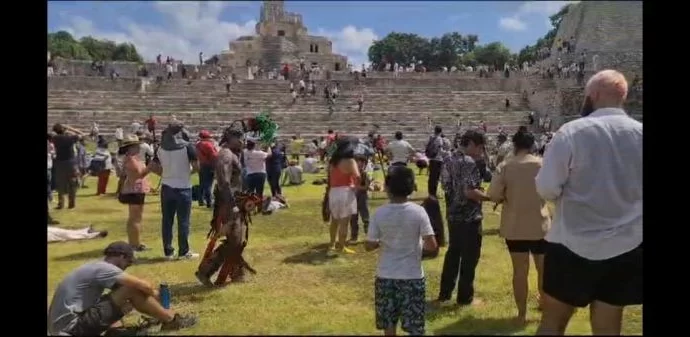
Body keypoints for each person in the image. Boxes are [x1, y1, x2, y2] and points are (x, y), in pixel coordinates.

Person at [535, 70, 642, 335]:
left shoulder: (572, 131)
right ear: (623, 97)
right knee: (608, 327)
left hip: (572, 241)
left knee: (552, 323)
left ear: (592, 95)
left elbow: (547, 188)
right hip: (627, 244)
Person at [48, 242, 197, 335]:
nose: (127, 267)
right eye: (129, 262)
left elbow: (116, 297)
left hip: (64, 327)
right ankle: (171, 320)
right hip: (71, 328)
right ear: (121, 256)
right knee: (130, 288)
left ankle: (116, 331)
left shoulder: (94, 267)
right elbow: (141, 286)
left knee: (125, 297)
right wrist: (155, 293)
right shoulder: (104, 268)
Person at [487, 131, 551, 325]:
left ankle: (522, 314)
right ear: (532, 145)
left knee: (520, 271)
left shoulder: (505, 166)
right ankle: (545, 308)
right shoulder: (543, 164)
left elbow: (493, 194)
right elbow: (553, 189)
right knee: (543, 269)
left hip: (515, 226)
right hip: (540, 224)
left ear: (514, 146)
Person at [365, 166, 437, 336]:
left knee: (388, 324)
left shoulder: (379, 213)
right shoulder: (419, 212)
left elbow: (369, 245)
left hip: (385, 276)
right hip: (412, 276)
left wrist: (380, 242)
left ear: (387, 188)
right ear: (411, 188)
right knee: (415, 326)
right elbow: (432, 245)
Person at [433, 129, 490, 307]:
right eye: (480, 148)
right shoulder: (468, 162)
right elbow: (470, 192)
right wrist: (491, 197)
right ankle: (465, 297)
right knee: (469, 258)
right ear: (472, 144)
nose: (481, 152)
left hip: (452, 215)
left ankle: (445, 293)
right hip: (470, 217)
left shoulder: (448, 159)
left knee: (453, 255)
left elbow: (446, 186)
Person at [196, 127, 255, 286]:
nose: (242, 141)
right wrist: (232, 205)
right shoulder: (226, 154)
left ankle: (236, 273)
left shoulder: (233, 154)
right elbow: (223, 182)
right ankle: (205, 271)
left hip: (235, 202)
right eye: (239, 138)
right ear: (229, 138)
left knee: (237, 239)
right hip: (228, 204)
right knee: (234, 240)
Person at [151, 124, 199, 260]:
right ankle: (183, 251)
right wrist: (187, 173)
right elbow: (197, 166)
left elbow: (153, 167)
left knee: (167, 220)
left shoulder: (160, 148)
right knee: (183, 220)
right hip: (183, 186)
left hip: (167, 186)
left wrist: (166, 174)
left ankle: (168, 252)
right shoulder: (187, 147)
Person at [326, 137, 361, 254]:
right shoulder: (350, 161)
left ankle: (331, 244)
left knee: (334, 220)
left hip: (334, 191)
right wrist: (355, 187)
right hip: (345, 191)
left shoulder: (333, 161)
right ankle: (341, 247)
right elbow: (357, 176)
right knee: (344, 222)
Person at [118, 135, 151, 252]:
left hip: (135, 190)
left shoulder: (132, 158)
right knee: (135, 219)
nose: (139, 147)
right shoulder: (131, 159)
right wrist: (150, 167)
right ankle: (135, 244)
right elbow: (138, 174)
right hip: (135, 190)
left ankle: (135, 242)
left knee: (135, 218)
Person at [51, 124, 85, 210]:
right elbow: (82, 134)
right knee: (72, 183)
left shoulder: (55, 138)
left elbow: (53, 134)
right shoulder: (70, 139)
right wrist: (70, 128)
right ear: (64, 130)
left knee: (60, 183)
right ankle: (71, 203)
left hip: (59, 163)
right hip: (71, 163)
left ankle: (61, 204)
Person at [196, 130, 218, 208]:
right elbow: (214, 156)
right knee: (208, 184)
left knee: (202, 184)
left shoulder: (198, 144)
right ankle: (209, 202)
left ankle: (200, 201)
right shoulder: (208, 145)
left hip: (201, 165)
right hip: (209, 165)